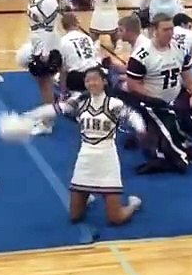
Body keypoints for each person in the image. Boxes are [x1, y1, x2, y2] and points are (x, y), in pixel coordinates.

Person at [18, 66, 144, 225]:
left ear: (104, 81)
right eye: (88, 80)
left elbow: (132, 115)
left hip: (107, 160)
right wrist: (27, 116)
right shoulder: (79, 101)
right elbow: (55, 109)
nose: (91, 83)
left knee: (116, 218)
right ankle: (86, 195)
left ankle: (133, 204)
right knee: (75, 216)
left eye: (95, 79)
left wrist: (140, 128)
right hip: (85, 159)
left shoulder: (114, 104)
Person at [120, 12, 192, 174]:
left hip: (174, 98)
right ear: (154, 31)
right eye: (165, 29)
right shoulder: (141, 55)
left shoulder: (178, 50)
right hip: (151, 102)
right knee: (168, 128)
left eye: (172, 29)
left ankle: (178, 144)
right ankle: (173, 154)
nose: (170, 33)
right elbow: (132, 84)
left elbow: (188, 75)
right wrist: (153, 99)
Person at [15, 0, 67, 135]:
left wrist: (44, 53)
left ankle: (48, 123)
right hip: (36, 42)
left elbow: (49, 29)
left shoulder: (50, 1)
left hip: (47, 45)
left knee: (45, 85)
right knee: (43, 84)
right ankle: (49, 111)